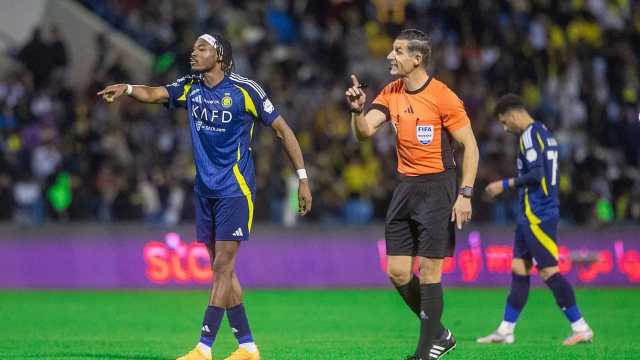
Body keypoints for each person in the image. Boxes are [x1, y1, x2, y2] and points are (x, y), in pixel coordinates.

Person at [98, 33, 312, 360]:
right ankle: (248, 347)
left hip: (235, 190)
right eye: (194, 47)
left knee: (223, 266)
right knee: (221, 269)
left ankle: (203, 348)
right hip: (205, 190)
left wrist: (303, 178)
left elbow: (284, 130)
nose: (194, 52)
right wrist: (127, 89)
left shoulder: (246, 90)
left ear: (221, 57)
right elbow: (156, 93)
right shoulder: (191, 86)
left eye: (202, 48)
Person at [345, 29, 479, 360]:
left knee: (430, 272)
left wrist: (465, 194)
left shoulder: (443, 96)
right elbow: (364, 133)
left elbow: (471, 146)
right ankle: (441, 334)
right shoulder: (390, 92)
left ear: (417, 59)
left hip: (438, 188)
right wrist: (356, 110)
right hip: (405, 188)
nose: (391, 56)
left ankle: (423, 353)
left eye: (399, 51)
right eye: (393, 50)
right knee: (398, 272)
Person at [478, 94, 594, 345]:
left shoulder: (530, 135)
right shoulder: (544, 132)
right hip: (531, 212)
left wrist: (504, 184)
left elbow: (537, 173)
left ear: (513, 114)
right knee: (519, 269)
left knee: (548, 270)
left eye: (504, 121)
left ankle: (581, 327)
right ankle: (506, 330)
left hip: (537, 213)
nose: (504, 127)